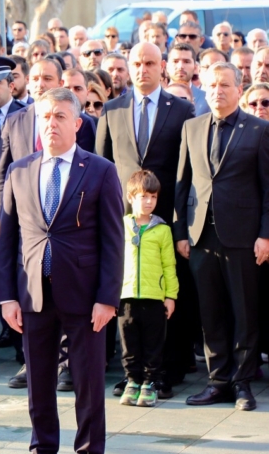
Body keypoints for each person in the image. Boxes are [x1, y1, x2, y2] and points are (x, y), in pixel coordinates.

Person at [0, 87, 124, 454]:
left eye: (60, 117)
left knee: (87, 382)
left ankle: (88, 448)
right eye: (46, 116)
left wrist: (107, 299)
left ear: (77, 123)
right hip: (33, 293)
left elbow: (113, 242)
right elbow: (8, 241)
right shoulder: (19, 170)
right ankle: (43, 446)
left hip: (84, 296)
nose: (51, 123)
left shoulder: (101, 171)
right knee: (38, 383)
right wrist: (7, 296)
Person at [95, 42, 197, 392]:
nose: (142, 69)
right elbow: (102, 168)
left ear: (162, 66)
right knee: (128, 304)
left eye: (150, 63)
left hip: (164, 223)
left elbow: (187, 173)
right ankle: (132, 373)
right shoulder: (111, 109)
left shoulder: (182, 110)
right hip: (123, 223)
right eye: (136, 63)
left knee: (164, 299)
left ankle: (165, 372)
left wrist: (180, 225)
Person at [175, 62, 269, 412]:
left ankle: (243, 384)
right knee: (210, 313)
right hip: (200, 237)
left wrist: (265, 235)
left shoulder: (259, 130)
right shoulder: (191, 128)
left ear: (238, 86)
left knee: (244, 313)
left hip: (244, 238)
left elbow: (268, 189)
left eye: (225, 85)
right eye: (211, 85)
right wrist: (181, 232)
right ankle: (218, 382)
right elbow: (182, 184)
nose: (217, 91)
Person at [117, 170, 178, 407]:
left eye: (153, 196)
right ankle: (132, 381)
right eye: (143, 196)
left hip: (154, 297)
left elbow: (169, 265)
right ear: (131, 197)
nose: (149, 201)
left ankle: (150, 383)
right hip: (127, 297)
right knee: (129, 344)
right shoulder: (121, 226)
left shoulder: (162, 230)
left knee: (153, 344)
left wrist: (170, 296)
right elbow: (112, 262)